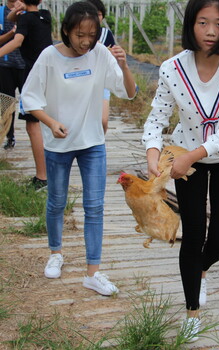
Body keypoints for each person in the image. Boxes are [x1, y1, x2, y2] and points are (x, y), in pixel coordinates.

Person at [142, 0, 219, 342]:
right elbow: (157, 117)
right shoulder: (172, 68)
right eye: (202, 22)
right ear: (191, 23)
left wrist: (192, 155)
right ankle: (192, 312)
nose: (209, 32)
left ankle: (202, 269)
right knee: (192, 235)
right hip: (184, 163)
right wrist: (152, 153)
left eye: (218, 24)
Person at [21, 1, 137, 296]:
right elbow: (30, 98)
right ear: (66, 30)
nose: (86, 41)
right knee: (56, 202)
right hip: (58, 143)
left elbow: (129, 92)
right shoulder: (49, 57)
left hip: (92, 143)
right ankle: (56, 253)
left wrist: (123, 65)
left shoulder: (100, 54)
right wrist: (50, 122)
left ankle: (93, 273)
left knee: (95, 207)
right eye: (79, 35)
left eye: (91, 34)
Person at [0, 0, 52, 189]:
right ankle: (48, 173)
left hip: (32, 78)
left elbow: (17, 41)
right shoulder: (45, 16)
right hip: (47, 76)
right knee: (44, 124)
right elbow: (10, 17)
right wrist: (19, 11)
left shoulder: (26, 21)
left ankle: (42, 176)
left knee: (32, 126)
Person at [86, 0, 115, 134]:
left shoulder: (106, 34)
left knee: (103, 120)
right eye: (93, 14)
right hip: (83, 81)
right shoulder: (79, 34)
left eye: (99, 14)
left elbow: (112, 54)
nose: (97, 18)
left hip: (102, 82)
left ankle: (99, 144)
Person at [0, 0, 25, 150]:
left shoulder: (27, 12)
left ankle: (37, 133)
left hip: (24, 65)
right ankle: (9, 136)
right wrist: (12, 34)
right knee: (7, 102)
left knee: (29, 101)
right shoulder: (1, 13)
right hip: (5, 65)